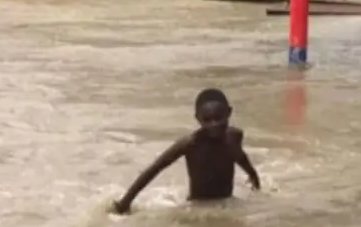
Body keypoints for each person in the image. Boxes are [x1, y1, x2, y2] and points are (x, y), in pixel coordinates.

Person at [111, 89, 261, 214]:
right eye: (207, 120)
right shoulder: (191, 144)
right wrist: (125, 202)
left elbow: (239, 156)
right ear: (198, 119)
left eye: (218, 118)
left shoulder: (234, 136)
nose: (213, 124)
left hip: (227, 205)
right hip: (198, 209)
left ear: (229, 112)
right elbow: (155, 168)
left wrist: (254, 177)